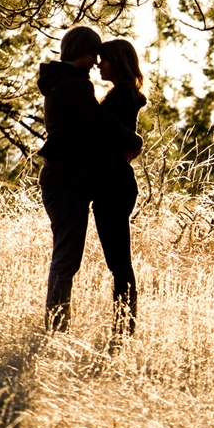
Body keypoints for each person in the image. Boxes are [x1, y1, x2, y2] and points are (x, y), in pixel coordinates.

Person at [36, 26, 143, 335]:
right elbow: (100, 125)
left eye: (103, 58)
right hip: (70, 182)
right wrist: (135, 140)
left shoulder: (69, 83)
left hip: (89, 184)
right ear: (81, 52)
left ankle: (67, 328)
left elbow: (99, 128)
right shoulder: (75, 86)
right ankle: (58, 328)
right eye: (95, 55)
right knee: (69, 259)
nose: (97, 62)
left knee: (78, 259)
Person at [96, 38, 148, 337]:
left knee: (119, 264)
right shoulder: (125, 94)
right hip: (118, 184)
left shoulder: (120, 96)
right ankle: (124, 327)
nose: (99, 64)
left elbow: (111, 137)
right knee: (119, 263)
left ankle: (124, 329)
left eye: (104, 59)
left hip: (113, 186)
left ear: (117, 61)